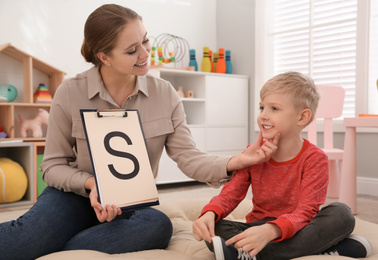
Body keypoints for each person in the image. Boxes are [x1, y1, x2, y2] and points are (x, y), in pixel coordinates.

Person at [0, 4, 264, 259]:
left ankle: (58, 244)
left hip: (129, 205)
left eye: (145, 41)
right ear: (104, 57)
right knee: (25, 240)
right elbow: (53, 165)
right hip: (74, 196)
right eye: (131, 50)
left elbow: (189, 157)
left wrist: (235, 161)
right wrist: (93, 185)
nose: (145, 54)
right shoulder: (70, 92)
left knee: (157, 226)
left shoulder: (164, 93)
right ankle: (52, 239)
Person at [192, 72, 372, 260]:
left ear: (302, 117)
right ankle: (320, 249)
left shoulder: (315, 158)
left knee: (342, 214)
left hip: (300, 227)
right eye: (261, 107)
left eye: (274, 109)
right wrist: (210, 213)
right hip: (259, 227)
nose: (263, 116)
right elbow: (230, 194)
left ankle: (254, 255)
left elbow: (305, 212)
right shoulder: (252, 154)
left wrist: (272, 231)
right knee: (215, 228)